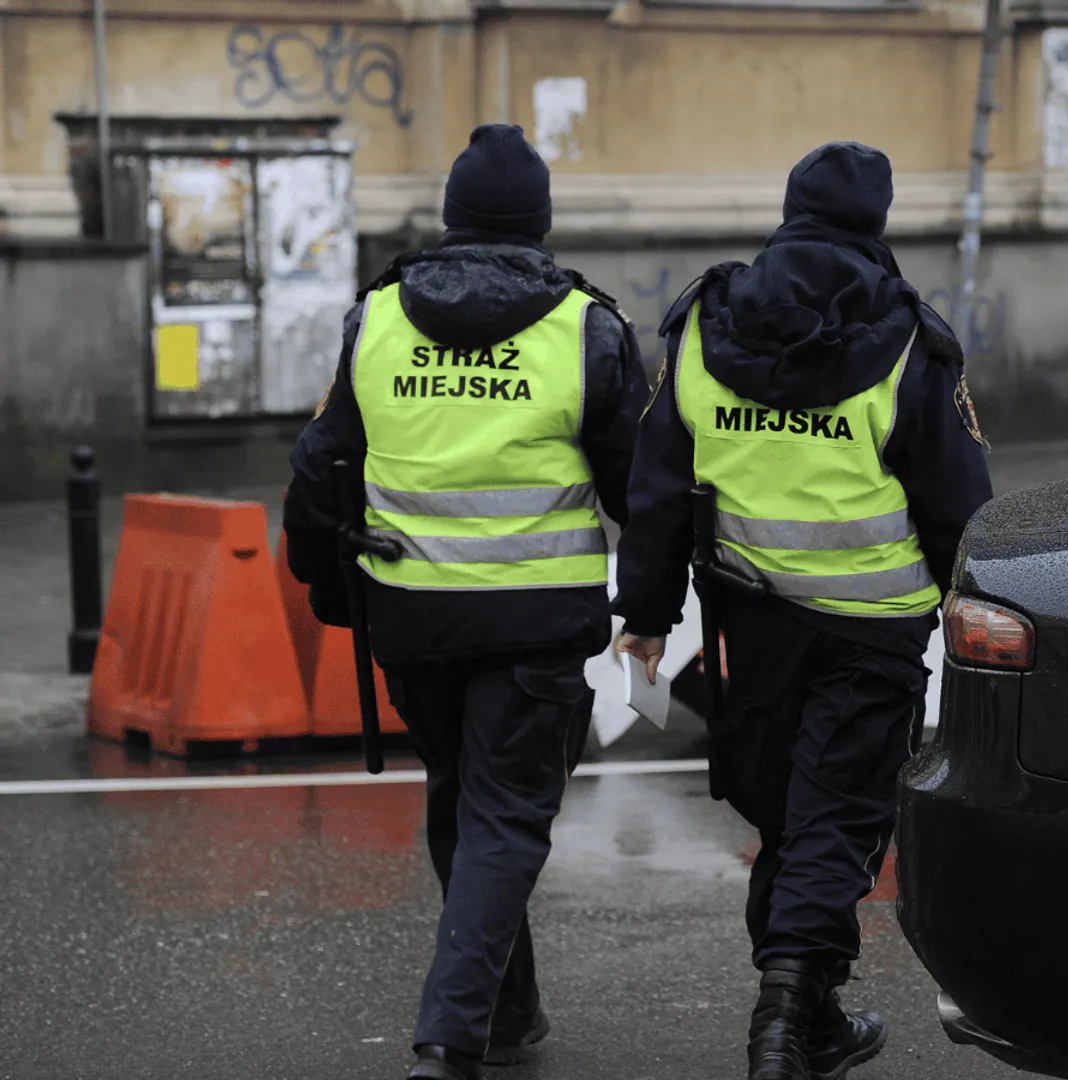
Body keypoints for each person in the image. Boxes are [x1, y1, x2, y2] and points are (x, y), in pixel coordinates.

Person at [612, 141, 993, 1080]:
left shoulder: (706, 322)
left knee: (792, 816)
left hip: (753, 621)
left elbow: (659, 482)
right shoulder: (909, 335)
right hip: (874, 628)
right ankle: (786, 1022)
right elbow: (956, 500)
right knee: (836, 820)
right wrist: (972, 605)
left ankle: (807, 1014)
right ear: (877, 221)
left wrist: (648, 613)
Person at [282, 123, 646, 1080]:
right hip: (533, 622)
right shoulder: (586, 327)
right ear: (541, 222)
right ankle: (448, 1038)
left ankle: (507, 1007)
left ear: (451, 218)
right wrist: (654, 596)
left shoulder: (380, 318)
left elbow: (322, 465)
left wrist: (327, 586)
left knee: (464, 804)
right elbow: (638, 489)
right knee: (505, 817)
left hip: (413, 616)